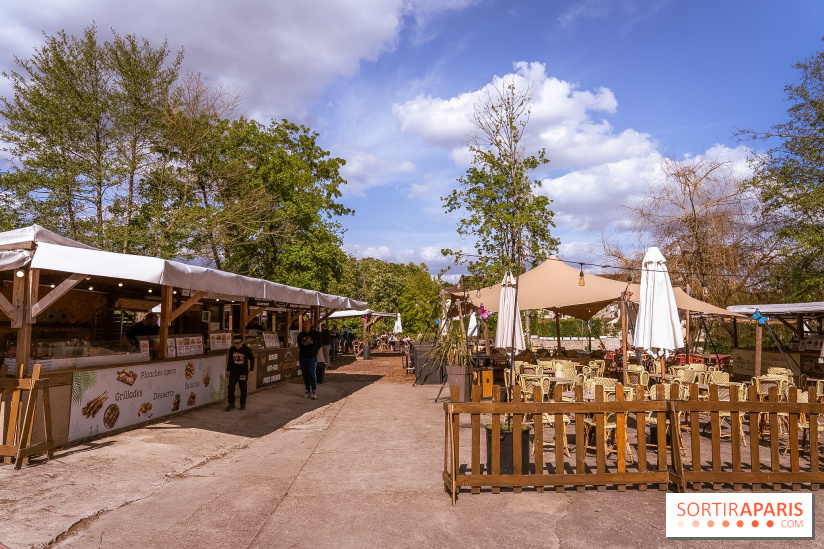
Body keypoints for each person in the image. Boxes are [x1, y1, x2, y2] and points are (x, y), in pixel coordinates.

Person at [225, 335, 254, 411]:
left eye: (238, 344)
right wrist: (228, 370)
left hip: (242, 372)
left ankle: (243, 403)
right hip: (234, 372)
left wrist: (251, 370)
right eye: (235, 344)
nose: (237, 346)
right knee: (231, 387)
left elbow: (252, 359)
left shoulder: (246, 349)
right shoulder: (232, 349)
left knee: (243, 388)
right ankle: (231, 403)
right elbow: (230, 360)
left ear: (242, 342)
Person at [297, 322, 322, 399]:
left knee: (311, 372)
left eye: (306, 324)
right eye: (304, 325)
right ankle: (308, 389)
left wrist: (314, 351)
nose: (305, 326)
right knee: (305, 374)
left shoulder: (315, 334)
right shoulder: (300, 335)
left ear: (310, 325)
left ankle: (314, 390)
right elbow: (299, 345)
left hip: (312, 357)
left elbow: (320, 343)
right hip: (303, 356)